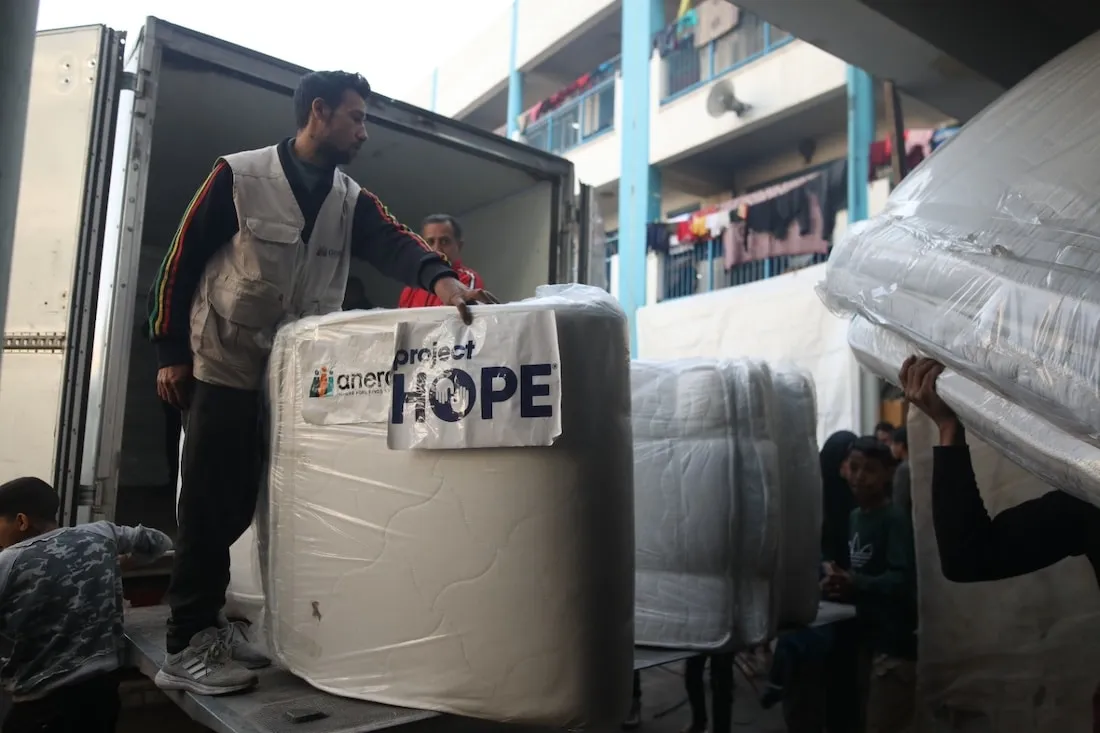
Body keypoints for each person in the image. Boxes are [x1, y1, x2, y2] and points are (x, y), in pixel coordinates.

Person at [145, 70, 496, 696]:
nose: (363, 132)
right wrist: (170, 351)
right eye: (355, 118)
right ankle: (186, 643)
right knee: (208, 497)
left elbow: (394, 241)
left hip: (289, 374)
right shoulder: (241, 175)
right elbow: (180, 259)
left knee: (256, 499)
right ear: (318, 112)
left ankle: (214, 625)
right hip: (222, 359)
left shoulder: (349, 197)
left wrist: (443, 280)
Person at [900, 356, 1100, 729]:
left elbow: (969, 556)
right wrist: (948, 428)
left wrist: (948, 429)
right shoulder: (1091, 499)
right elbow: (969, 556)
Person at [0, 477, 173, 733]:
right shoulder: (100, 533)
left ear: (22, 521)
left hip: (41, 704)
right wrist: (117, 563)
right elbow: (160, 542)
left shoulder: (8, 562)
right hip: (103, 695)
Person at [822, 436, 918, 733]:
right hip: (866, 637)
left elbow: (902, 579)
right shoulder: (854, 517)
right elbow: (862, 569)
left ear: (888, 473)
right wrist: (839, 578)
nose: (860, 477)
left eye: (870, 470)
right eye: (854, 467)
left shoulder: (894, 519)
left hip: (892, 644)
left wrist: (856, 581)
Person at [398, 214, 485, 308]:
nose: (436, 249)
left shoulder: (467, 280)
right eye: (430, 242)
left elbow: (458, 320)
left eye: (444, 241)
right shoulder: (411, 289)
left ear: (459, 246)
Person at [682, 653, 735, 733]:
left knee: (720, 683)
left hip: (724, 645)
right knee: (691, 675)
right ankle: (699, 724)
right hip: (700, 641)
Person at [891, 426, 911, 514]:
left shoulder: (903, 469)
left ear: (900, 445)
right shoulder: (917, 465)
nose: (891, 448)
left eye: (893, 444)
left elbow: (899, 501)